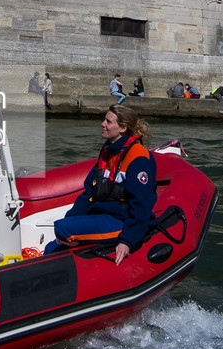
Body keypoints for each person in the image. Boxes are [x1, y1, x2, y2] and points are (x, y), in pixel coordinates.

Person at [45, 105, 156, 265]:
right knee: (52, 247)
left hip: (121, 220)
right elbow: (89, 192)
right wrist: (72, 219)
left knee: (63, 228)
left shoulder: (138, 158)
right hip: (102, 213)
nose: (102, 124)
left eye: (108, 121)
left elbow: (141, 205)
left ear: (123, 128)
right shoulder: (108, 151)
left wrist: (127, 240)